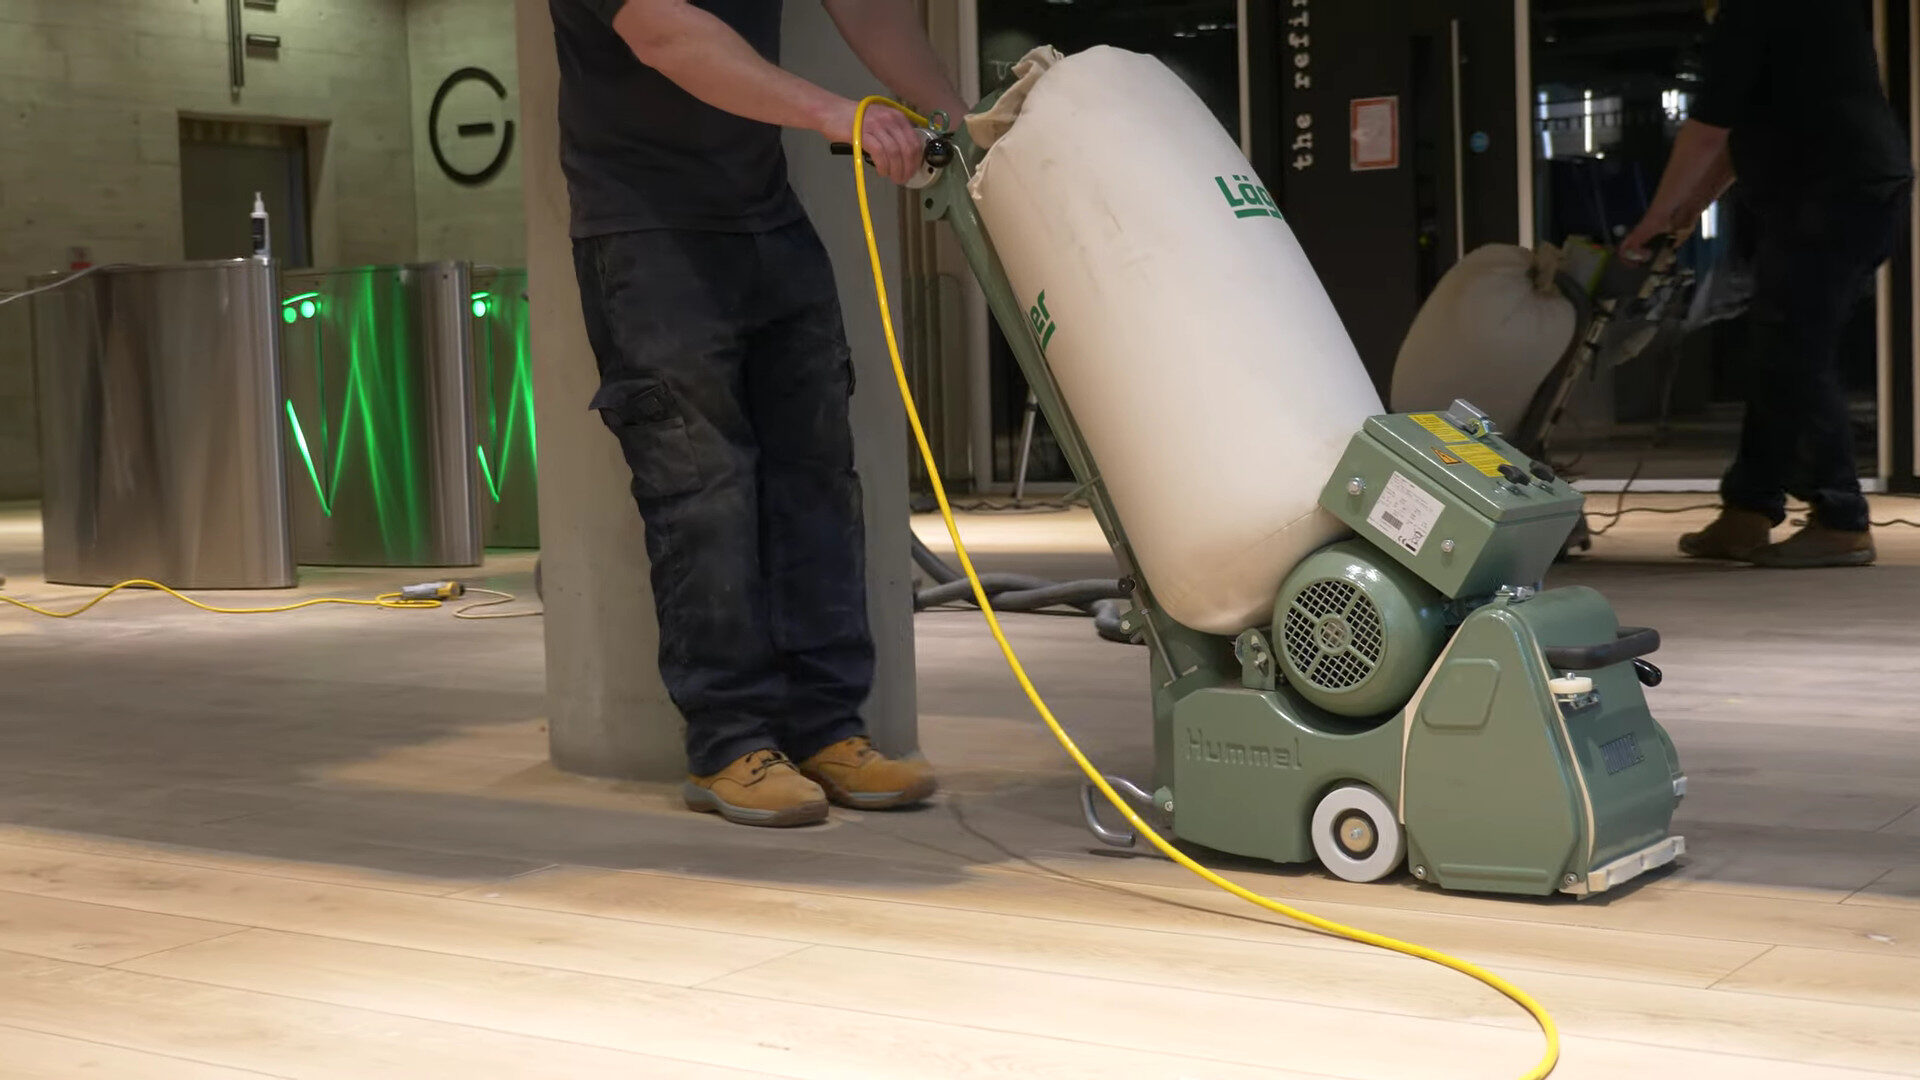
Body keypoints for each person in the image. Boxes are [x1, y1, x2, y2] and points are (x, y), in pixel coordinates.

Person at [548, 0, 968, 826]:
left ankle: (827, 730)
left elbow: (870, 8)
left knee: (817, 479)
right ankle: (730, 741)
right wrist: (837, 112)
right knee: (704, 493)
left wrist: (959, 122)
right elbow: (666, 34)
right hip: (645, 230)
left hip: (766, 216)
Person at [1622, 0, 1912, 568]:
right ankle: (1749, 510)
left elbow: (1706, 130)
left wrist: (1656, 217)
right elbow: (1737, 135)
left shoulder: (1750, 11)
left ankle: (1840, 518)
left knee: (1794, 349)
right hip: (1848, 191)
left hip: (1831, 194)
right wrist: (1689, 210)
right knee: (1780, 345)